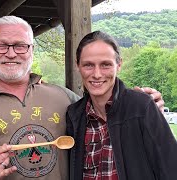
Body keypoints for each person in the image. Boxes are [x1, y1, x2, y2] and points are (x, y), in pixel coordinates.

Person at [0, 16, 165, 180]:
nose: (10, 53)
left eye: (20, 46)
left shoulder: (64, 97)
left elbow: (104, 118)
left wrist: (142, 103)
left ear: (31, 50)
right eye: (1, 46)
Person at [66, 31, 177, 180]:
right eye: (88, 65)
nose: (97, 74)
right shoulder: (74, 116)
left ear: (119, 65)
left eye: (106, 65)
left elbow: (170, 168)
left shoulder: (141, 107)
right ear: (77, 66)